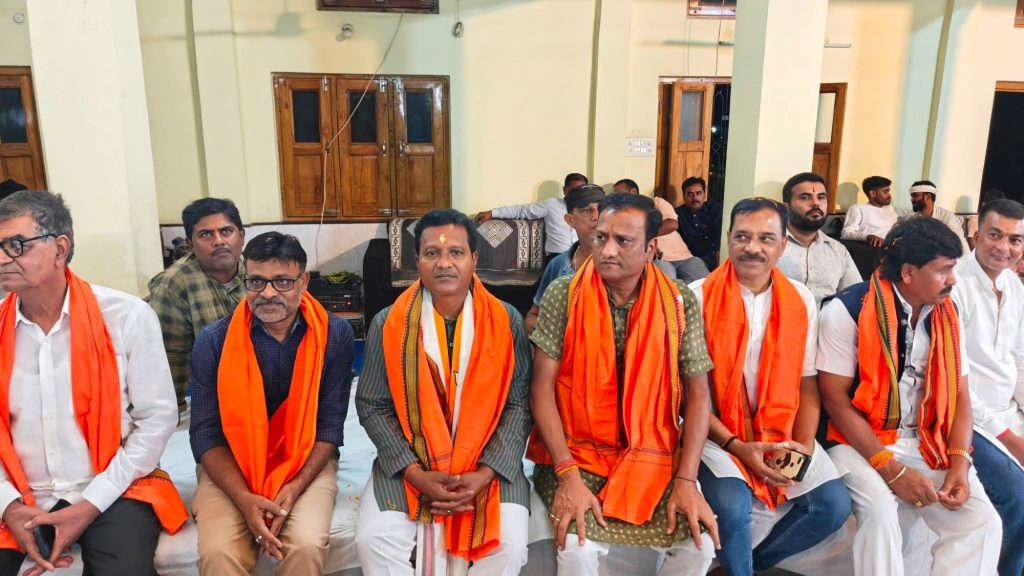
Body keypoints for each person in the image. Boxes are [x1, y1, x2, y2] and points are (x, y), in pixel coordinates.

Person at [529, 193, 720, 575]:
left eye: (623, 241)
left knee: (698, 547)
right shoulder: (564, 294)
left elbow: (698, 396)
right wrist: (567, 474)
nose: (607, 250)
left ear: (651, 248)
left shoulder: (678, 301)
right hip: (577, 454)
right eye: (601, 237)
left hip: (653, 455)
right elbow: (541, 390)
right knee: (579, 549)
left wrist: (686, 479)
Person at [0, 190, 187, 576]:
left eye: (15, 245)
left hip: (113, 488)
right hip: (17, 493)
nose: (2, 259)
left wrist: (90, 503)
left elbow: (157, 420)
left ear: (60, 249)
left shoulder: (126, 316)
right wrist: (9, 506)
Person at [818, 217, 1002, 575]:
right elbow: (835, 401)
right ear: (908, 272)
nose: (953, 279)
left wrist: (960, 464)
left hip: (924, 439)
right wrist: (892, 470)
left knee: (981, 520)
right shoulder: (847, 310)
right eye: (944, 270)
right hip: (855, 440)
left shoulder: (947, 312)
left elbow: (960, 393)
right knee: (880, 512)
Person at [355, 209, 532, 576]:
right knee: (374, 541)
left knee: (509, 547)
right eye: (432, 253)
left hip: (488, 462)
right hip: (411, 461)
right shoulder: (388, 323)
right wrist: (414, 473)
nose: (444, 263)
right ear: (417, 261)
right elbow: (372, 404)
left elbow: (518, 405)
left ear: (474, 259)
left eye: (456, 252)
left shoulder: (506, 320)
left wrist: (486, 472)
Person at [684, 197, 850, 575]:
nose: (752, 248)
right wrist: (738, 446)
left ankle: (747, 565)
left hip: (781, 430)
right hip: (716, 434)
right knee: (732, 507)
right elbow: (689, 397)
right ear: (728, 238)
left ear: (783, 244)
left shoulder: (800, 300)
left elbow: (808, 383)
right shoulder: (696, 297)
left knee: (831, 507)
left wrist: (801, 448)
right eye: (742, 236)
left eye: (766, 238)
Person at [188, 231, 354, 575]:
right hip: (233, 465)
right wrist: (244, 499)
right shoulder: (214, 342)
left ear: (303, 282)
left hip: (305, 462)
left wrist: (294, 487)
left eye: (282, 281)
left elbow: (329, 428)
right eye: (256, 281)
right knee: (219, 553)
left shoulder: (334, 335)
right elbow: (205, 434)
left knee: (306, 545)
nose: (267, 293)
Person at [952, 198, 1024, 576]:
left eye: (1015, 240)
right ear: (976, 233)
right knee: (1018, 498)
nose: (1004, 248)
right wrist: (1010, 438)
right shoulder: (953, 284)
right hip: (968, 419)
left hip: (1007, 412)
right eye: (995, 235)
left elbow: (1019, 359)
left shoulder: (1014, 285)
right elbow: (954, 381)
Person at [149, 198, 246, 412]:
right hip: (210, 399)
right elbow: (171, 364)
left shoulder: (259, 273)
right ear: (190, 244)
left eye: (226, 231)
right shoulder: (173, 286)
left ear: (242, 235)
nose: (219, 241)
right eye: (206, 234)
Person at [524, 184, 604, 333]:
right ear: (570, 220)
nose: (596, 216)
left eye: (601, 209)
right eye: (586, 210)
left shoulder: (621, 262)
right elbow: (533, 315)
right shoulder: (558, 265)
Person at [777, 172, 861, 304]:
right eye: (805, 198)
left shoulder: (838, 250)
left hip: (828, 316)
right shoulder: (770, 246)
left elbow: (857, 297)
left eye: (821, 197)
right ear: (786, 207)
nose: (816, 203)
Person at [615, 178, 709, 283]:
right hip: (660, 259)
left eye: (619, 195)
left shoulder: (656, 203)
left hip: (685, 257)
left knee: (705, 285)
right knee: (668, 288)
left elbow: (672, 224)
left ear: (633, 192)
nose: (617, 199)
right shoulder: (623, 216)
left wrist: (643, 235)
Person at [476, 173, 588, 259]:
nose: (577, 194)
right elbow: (521, 210)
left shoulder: (590, 210)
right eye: (573, 190)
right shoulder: (551, 205)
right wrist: (493, 212)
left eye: (581, 190)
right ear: (564, 190)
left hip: (583, 257)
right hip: (558, 258)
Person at [908, 181, 970, 255]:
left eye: (915, 196)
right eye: (912, 196)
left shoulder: (947, 217)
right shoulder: (914, 219)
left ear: (928, 197)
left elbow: (962, 246)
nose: (912, 200)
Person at [676, 176, 722, 270]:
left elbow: (719, 237)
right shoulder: (677, 214)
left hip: (714, 258)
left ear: (704, 195)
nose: (695, 198)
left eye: (698, 193)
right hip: (689, 261)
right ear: (683, 196)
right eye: (690, 194)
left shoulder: (715, 209)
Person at [841, 175, 898, 247]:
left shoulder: (889, 208)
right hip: (878, 249)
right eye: (885, 192)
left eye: (889, 191)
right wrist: (868, 237)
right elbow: (846, 234)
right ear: (873, 193)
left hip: (898, 246)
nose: (889, 195)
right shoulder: (858, 209)